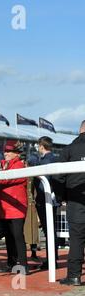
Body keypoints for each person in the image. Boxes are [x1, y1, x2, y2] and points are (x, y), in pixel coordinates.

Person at [55, 120, 85, 286]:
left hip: (76, 203)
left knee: (76, 240)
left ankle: (74, 276)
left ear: (80, 130)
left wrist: (61, 197)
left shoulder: (69, 149)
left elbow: (58, 177)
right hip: (76, 201)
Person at [0, 140, 29, 274]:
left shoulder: (19, 165)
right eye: (5, 150)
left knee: (18, 236)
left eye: (9, 151)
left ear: (16, 153)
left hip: (16, 207)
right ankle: (11, 263)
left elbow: (6, 179)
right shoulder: (5, 165)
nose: (6, 153)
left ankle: (24, 265)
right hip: (6, 207)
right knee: (9, 237)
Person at [33, 136, 60, 270]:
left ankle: (52, 260)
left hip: (45, 200)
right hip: (50, 200)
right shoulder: (54, 159)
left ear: (41, 146)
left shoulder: (45, 161)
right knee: (50, 230)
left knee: (49, 230)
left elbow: (45, 183)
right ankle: (52, 259)